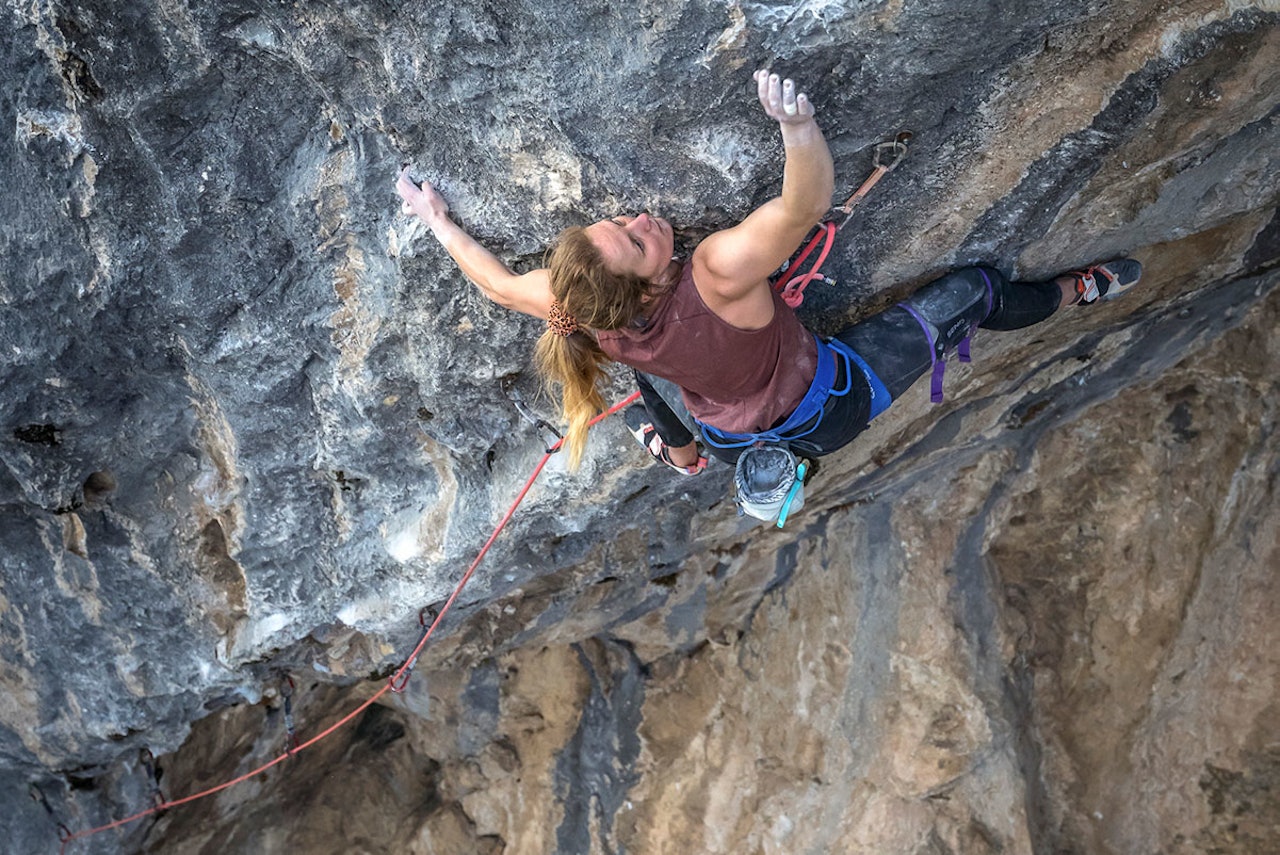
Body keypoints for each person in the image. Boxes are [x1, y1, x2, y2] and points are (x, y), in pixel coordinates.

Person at [396, 69, 1140, 498]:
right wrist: (797, 129)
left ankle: (678, 454)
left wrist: (438, 222)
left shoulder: (576, 307)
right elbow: (802, 208)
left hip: (726, 438)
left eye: (616, 221)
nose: (639, 219)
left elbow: (496, 285)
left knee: (643, 373)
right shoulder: (715, 274)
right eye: (633, 239)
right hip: (831, 405)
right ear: (646, 283)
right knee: (974, 292)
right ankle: (1078, 292)